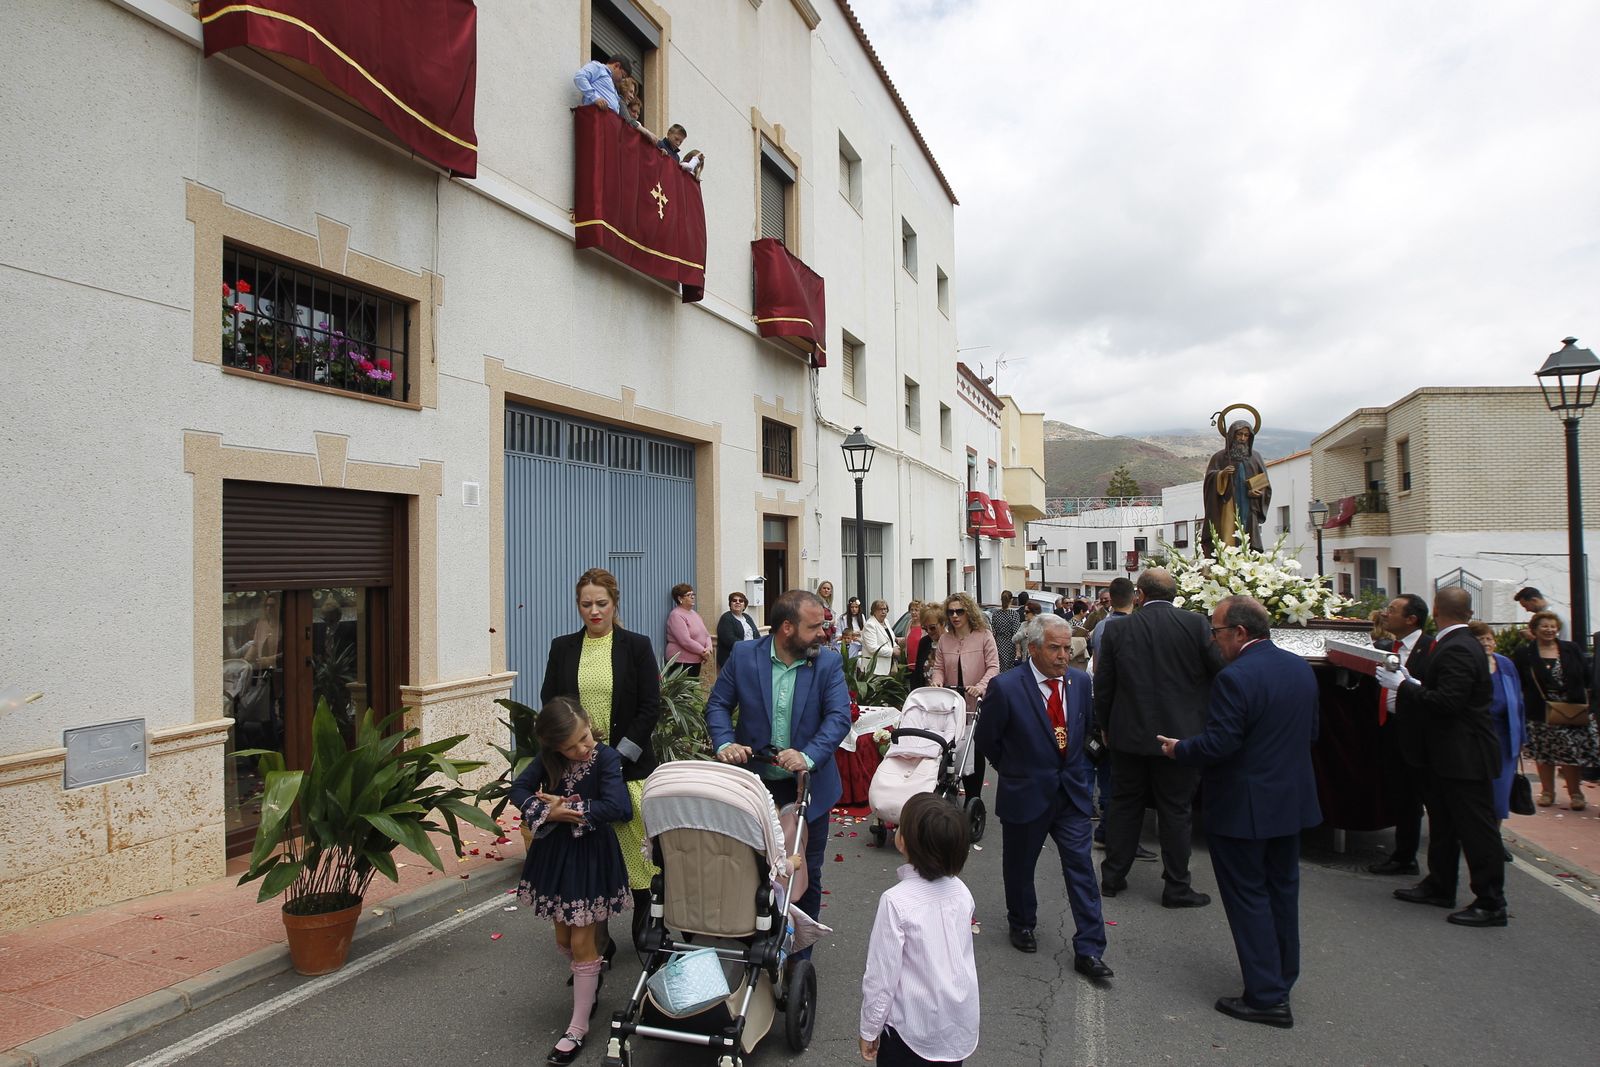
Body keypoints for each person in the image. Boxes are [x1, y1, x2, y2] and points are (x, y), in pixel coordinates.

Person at [1157, 595, 1320, 1030]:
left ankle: (1266, 997)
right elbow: (1313, 732)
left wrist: (1179, 750)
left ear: (1241, 633)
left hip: (1244, 807)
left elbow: (1219, 744)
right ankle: (1280, 977)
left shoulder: (1236, 678)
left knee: (1248, 897)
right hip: (1289, 802)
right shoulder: (1299, 669)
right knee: (1282, 893)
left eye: (1217, 632)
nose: (1214, 641)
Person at [707, 589, 852, 952]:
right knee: (751, 869)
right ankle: (755, 942)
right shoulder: (744, 656)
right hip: (755, 787)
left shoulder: (828, 663)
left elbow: (838, 718)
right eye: (815, 627)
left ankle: (799, 951)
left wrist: (808, 755)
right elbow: (718, 705)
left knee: (806, 871)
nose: (824, 633)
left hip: (808, 789)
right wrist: (725, 743)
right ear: (787, 628)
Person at [973, 615, 1111, 979]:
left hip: (1071, 795)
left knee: (1081, 869)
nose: (1064, 656)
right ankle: (1021, 921)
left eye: (1067, 648)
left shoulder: (1081, 683)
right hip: (1026, 792)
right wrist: (1016, 769)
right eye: (1055, 648)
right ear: (1033, 648)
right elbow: (989, 740)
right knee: (1020, 866)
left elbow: (1086, 727)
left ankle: (1090, 948)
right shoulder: (1006, 687)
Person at [541, 568, 661, 945]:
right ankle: (598, 943)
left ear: (614, 602)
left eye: (601, 603)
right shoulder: (563, 647)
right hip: (577, 769)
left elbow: (649, 707)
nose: (594, 611)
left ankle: (645, 924)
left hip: (629, 767)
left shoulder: (636, 646)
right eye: (586, 604)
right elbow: (552, 703)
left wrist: (615, 757)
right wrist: (573, 751)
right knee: (590, 858)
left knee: (638, 855)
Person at [510, 698, 632, 1066]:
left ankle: (577, 1026)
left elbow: (620, 807)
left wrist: (568, 809)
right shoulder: (548, 759)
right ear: (554, 746)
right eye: (572, 745)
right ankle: (590, 977)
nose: (583, 747)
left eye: (584, 737)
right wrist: (547, 810)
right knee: (563, 937)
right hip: (556, 857)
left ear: (588, 723)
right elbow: (518, 789)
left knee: (580, 938)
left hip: (592, 858)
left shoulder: (606, 757)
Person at [1376, 587, 1507, 927]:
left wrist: (1403, 686)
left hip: (1465, 756)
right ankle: (1440, 884)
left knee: (1476, 831)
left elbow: (1448, 702)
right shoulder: (1455, 644)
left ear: (1435, 610)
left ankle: (1491, 901)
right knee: (1444, 825)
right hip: (1448, 755)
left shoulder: (1458, 647)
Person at [1093, 567, 1222, 907]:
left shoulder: (1118, 630)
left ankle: (1112, 876)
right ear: (1174, 595)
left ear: (1141, 595)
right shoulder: (1196, 625)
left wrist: (1105, 725)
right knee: (1176, 810)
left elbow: (1103, 685)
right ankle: (1177, 885)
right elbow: (1220, 671)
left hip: (1128, 733)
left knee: (1125, 804)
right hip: (1181, 738)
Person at [858, 793, 980, 1065]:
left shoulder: (896, 902)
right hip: (955, 1023)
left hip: (910, 1030)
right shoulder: (961, 892)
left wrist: (870, 1027)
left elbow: (881, 975)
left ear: (905, 842)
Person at [1366, 595, 1434, 876]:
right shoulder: (1389, 646)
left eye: (1392, 610)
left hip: (1418, 733)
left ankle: (1420, 861)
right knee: (1401, 796)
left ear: (1411, 619)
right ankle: (1404, 855)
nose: (1385, 614)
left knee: (1417, 796)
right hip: (1391, 727)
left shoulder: (1430, 648)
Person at [1512, 611, 1595, 810]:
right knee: (1543, 753)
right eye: (1544, 626)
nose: (1549, 630)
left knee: (1571, 752)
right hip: (1540, 709)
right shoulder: (1525, 653)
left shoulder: (1570, 649)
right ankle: (1547, 792)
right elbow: (1519, 681)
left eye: (1553, 626)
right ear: (1534, 630)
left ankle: (1576, 793)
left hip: (1569, 708)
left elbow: (1585, 675)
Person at [930, 592, 1001, 804]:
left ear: (968, 612)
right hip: (952, 702)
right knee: (950, 748)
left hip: (975, 702)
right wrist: (937, 680)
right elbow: (939, 667)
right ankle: (948, 788)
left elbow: (993, 667)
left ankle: (973, 796)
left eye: (959, 611)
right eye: (950, 612)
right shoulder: (945, 639)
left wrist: (981, 687)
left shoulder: (984, 636)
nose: (955, 616)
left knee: (974, 749)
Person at [1086, 576, 1136, 851]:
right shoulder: (1133, 627)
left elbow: (1096, 664)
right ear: (1134, 598)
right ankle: (1109, 826)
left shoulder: (1103, 627)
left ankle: (1099, 818)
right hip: (1124, 706)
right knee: (1117, 770)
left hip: (1101, 700)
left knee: (1098, 761)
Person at [1468, 621, 1527, 828]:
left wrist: (1522, 737)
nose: (1486, 642)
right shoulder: (1468, 664)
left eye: (1489, 638)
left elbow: (1518, 702)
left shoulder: (1506, 664)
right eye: (1480, 638)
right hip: (1476, 738)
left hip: (1505, 737)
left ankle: (1495, 838)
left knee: (1500, 793)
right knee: (1477, 793)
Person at [1202, 420, 1271, 555]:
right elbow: (1209, 481)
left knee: (1248, 541)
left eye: (1246, 435)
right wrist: (1222, 474)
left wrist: (1257, 493)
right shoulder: (1219, 457)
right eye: (1239, 434)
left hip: (1248, 508)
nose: (1243, 438)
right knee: (1227, 540)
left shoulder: (1255, 457)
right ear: (1232, 435)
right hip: (1227, 508)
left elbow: (1265, 485)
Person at [664, 583, 714, 678]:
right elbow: (685, 641)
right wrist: (703, 651)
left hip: (696, 660)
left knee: (691, 691)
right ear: (680, 599)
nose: (692, 597)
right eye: (688, 595)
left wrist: (709, 649)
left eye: (693, 594)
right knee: (684, 692)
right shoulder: (676, 615)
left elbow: (706, 635)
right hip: (682, 662)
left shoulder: (694, 613)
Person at [1087, 577, 1135, 659]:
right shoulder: (1137, 625)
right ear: (1133, 599)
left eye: (1106, 600)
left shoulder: (1100, 626)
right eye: (1101, 600)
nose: (1103, 602)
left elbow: (1096, 665)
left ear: (1111, 600)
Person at [715, 591, 760, 670]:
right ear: (730, 604)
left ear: (744, 605)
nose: (737, 602)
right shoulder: (726, 618)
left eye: (741, 601)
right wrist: (748, 647)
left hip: (750, 655)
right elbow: (729, 640)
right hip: (733, 658)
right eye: (734, 600)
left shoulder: (747, 617)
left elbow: (756, 634)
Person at [907, 604, 943, 691]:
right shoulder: (924, 642)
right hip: (925, 695)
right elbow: (918, 672)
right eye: (925, 629)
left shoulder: (951, 642)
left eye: (932, 628)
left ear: (943, 623)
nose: (929, 632)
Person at [861, 599, 898, 677]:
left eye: (885, 609)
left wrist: (895, 646)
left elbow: (890, 639)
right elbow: (872, 648)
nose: (883, 611)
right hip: (875, 669)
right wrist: (892, 651)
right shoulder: (870, 625)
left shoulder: (886, 622)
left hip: (887, 667)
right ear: (874, 611)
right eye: (880, 609)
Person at [989, 591, 1021, 668]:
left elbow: (993, 632)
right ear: (1011, 600)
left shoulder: (995, 614)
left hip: (999, 644)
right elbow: (1016, 634)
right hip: (1011, 645)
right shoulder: (1014, 614)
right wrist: (1018, 651)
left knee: (1000, 668)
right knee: (1010, 669)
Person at [817, 580, 840, 649]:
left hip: (828, 638)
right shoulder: (816, 603)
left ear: (831, 592)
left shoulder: (828, 604)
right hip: (820, 637)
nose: (826, 590)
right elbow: (816, 622)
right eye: (824, 588)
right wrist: (830, 623)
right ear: (820, 590)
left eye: (828, 589)